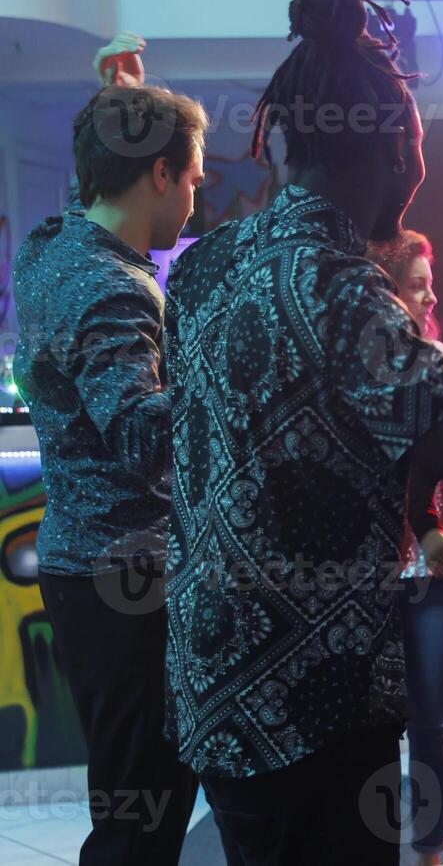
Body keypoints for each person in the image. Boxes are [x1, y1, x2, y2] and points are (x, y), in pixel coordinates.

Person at [162, 0, 443, 865]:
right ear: (401, 152)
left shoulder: (203, 264)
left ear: (278, 143)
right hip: (312, 702)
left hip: (214, 678)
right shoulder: (340, 286)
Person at [13, 74, 206, 865]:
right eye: (192, 178)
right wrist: (221, 377)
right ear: (158, 174)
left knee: (128, 801)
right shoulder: (112, 288)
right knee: (144, 820)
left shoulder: (50, 247)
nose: (195, 198)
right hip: (127, 581)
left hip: (80, 566)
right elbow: (141, 437)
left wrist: (123, 106)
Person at [366, 229, 443, 866]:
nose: (431, 294)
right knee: (380, 716)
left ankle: (431, 852)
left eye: (429, 281)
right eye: (417, 285)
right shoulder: (359, 372)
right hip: (378, 559)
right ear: (382, 296)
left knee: (436, 713)